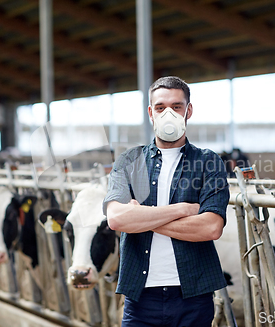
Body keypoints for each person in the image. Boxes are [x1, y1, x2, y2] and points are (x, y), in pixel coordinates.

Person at [103, 76, 230, 327]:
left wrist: (140, 218)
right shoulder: (130, 160)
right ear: (151, 112)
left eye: (177, 106)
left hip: (194, 294)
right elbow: (117, 218)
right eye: (160, 108)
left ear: (188, 110)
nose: (168, 113)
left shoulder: (208, 161)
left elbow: (211, 227)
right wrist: (182, 210)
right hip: (140, 296)